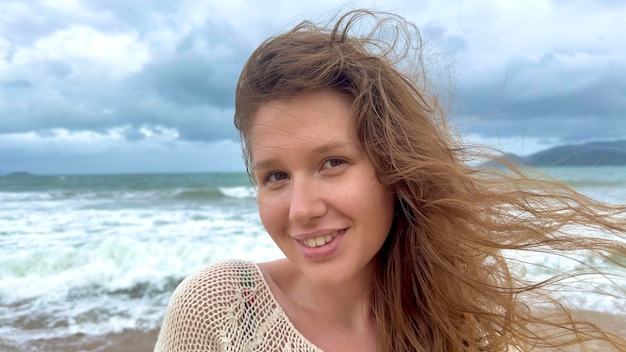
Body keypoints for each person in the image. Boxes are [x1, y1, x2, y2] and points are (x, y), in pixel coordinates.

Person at [154, 9, 626, 352]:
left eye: (332, 162)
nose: (301, 209)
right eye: (275, 175)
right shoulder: (220, 309)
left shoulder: (456, 320)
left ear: (394, 169)